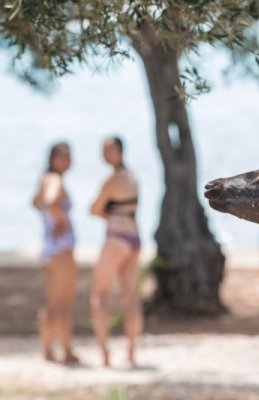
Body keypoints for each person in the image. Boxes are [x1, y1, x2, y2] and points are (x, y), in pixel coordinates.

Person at [90, 136, 143, 366]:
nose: (105, 154)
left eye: (109, 150)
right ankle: (131, 353)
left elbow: (94, 208)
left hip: (116, 237)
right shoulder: (133, 177)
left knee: (100, 294)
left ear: (120, 150)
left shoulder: (111, 180)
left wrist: (107, 214)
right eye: (103, 150)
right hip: (134, 238)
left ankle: (104, 353)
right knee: (130, 297)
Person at [32, 142, 79, 363]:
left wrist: (51, 220)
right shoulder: (55, 180)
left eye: (69, 156)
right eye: (63, 156)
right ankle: (67, 350)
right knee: (62, 304)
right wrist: (60, 220)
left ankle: (48, 350)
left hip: (48, 247)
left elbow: (36, 202)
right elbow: (50, 202)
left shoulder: (44, 179)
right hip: (61, 249)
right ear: (52, 158)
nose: (67, 160)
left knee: (51, 303)